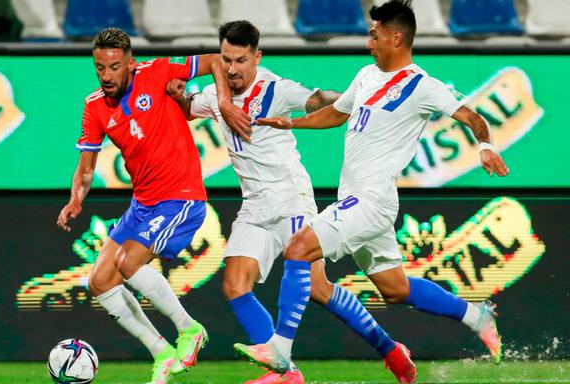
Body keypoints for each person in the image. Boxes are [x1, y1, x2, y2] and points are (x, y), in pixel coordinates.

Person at [234, 0, 509, 380]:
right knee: (394, 289)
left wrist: (486, 146)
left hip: (371, 199)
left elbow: (472, 117)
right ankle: (475, 316)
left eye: (374, 36)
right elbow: (338, 113)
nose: (369, 43)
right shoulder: (366, 76)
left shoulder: (423, 85)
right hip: (357, 200)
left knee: (298, 247)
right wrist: (294, 124)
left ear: (397, 37)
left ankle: (281, 349)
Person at [167, 20, 416, 384]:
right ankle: (286, 373)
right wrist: (178, 94)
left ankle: (390, 349)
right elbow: (190, 108)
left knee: (317, 287)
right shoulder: (216, 94)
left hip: (292, 199)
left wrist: (348, 99)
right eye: (227, 60)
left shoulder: (275, 88)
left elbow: (317, 100)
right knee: (235, 285)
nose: (233, 69)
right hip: (254, 206)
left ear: (257, 57)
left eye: (240, 60)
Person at [56, 27, 251, 384]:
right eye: (100, 67)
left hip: (181, 196)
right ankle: (160, 350)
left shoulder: (157, 71)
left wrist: (223, 101)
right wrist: (75, 200)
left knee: (128, 263)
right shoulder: (95, 107)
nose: (106, 75)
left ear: (130, 64)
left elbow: (213, 61)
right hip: (143, 203)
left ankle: (189, 329)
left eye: (114, 67)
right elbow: (86, 169)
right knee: (99, 281)